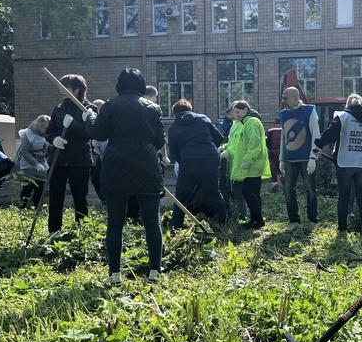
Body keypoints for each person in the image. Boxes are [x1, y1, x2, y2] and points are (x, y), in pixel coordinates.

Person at [84, 68, 166, 285]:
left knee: (115, 224)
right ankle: (155, 272)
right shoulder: (153, 107)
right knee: (151, 221)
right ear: (141, 84)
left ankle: (115, 275)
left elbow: (98, 133)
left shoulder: (110, 105)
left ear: (119, 85)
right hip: (147, 163)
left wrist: (90, 118)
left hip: (116, 162)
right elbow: (159, 141)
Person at [314, 93, 362, 240]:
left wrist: (318, 144)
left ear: (348, 105)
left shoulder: (343, 117)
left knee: (344, 197)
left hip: (346, 162)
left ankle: (342, 230)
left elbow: (330, 132)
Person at [45, 74, 96, 233]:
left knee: (80, 198)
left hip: (79, 160)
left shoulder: (89, 108)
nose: (61, 90)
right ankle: (54, 231)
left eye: (65, 86)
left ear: (77, 89)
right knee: (55, 198)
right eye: (61, 86)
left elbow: (92, 133)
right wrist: (53, 139)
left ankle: (82, 233)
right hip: (58, 160)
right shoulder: (59, 109)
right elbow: (50, 130)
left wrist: (74, 125)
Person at [167, 99, 227, 229]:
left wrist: (183, 160)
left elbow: (173, 152)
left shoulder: (174, 128)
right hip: (210, 159)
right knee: (214, 192)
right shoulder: (203, 118)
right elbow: (219, 138)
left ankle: (176, 227)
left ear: (175, 113)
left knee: (181, 196)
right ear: (190, 109)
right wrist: (209, 151)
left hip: (188, 161)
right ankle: (224, 224)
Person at [220, 100, 270, 228]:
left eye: (238, 112)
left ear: (246, 110)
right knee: (253, 192)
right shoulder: (245, 122)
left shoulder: (251, 122)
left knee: (248, 192)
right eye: (234, 112)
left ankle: (257, 219)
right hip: (251, 164)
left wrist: (247, 161)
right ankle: (257, 219)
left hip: (252, 164)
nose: (236, 115)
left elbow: (254, 144)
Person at [278, 86, 320, 231]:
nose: (283, 101)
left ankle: (313, 220)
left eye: (285, 98)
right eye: (282, 98)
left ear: (295, 98)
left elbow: (316, 135)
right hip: (290, 159)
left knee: (310, 189)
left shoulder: (308, 111)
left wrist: (313, 157)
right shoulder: (283, 114)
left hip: (305, 158)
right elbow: (283, 138)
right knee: (288, 189)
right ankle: (293, 220)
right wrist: (281, 158)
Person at [16, 115, 51, 208]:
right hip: (28, 165)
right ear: (39, 126)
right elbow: (24, 152)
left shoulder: (47, 135)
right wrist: (36, 165)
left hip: (42, 163)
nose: (46, 130)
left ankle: (37, 209)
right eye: (45, 128)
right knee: (28, 188)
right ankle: (21, 209)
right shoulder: (28, 134)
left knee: (40, 188)